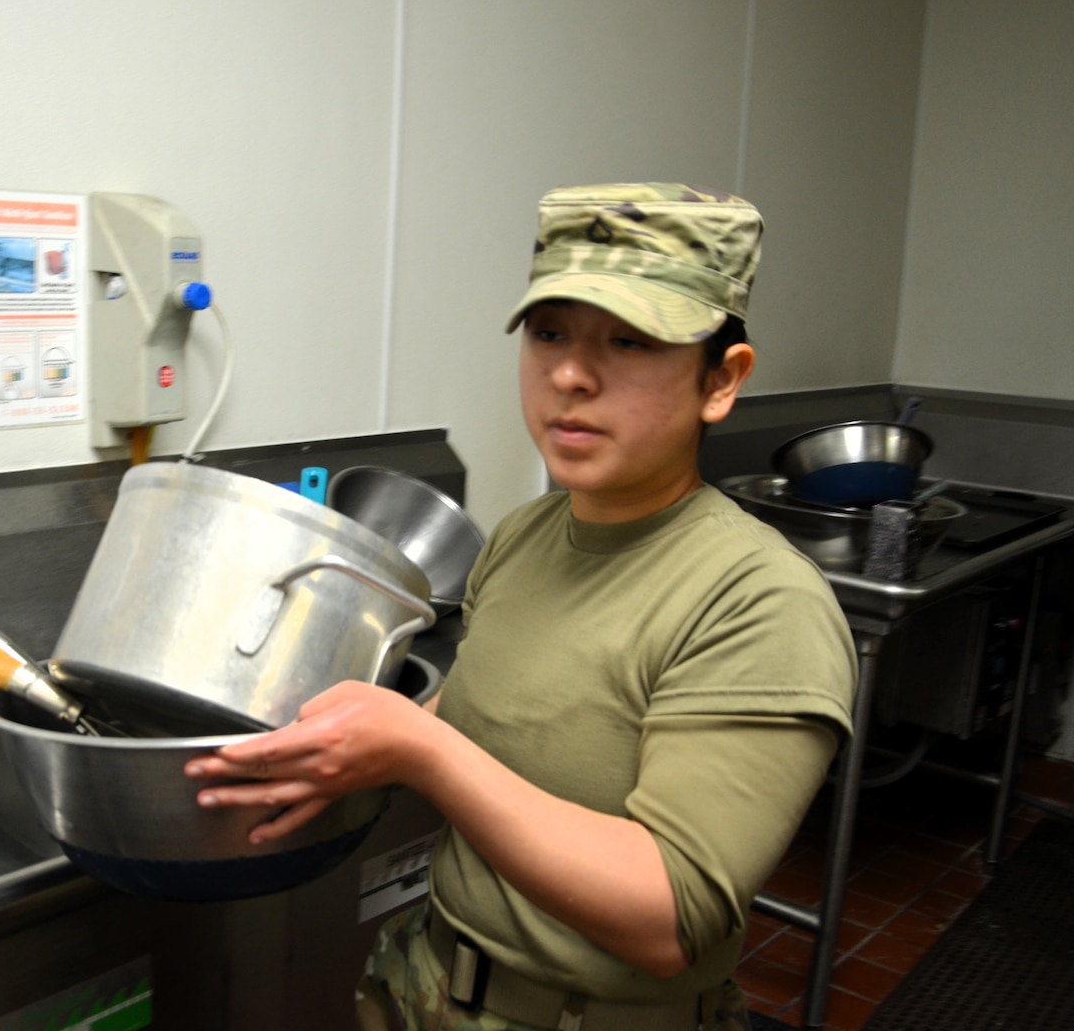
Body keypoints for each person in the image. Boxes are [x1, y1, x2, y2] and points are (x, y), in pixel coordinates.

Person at [185, 183, 858, 1031]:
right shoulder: (523, 536)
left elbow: (667, 918)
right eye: (549, 334)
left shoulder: (757, 604)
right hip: (427, 985)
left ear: (720, 381)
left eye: (630, 340)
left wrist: (418, 749)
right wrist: (347, 743)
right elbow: (488, 719)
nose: (571, 375)